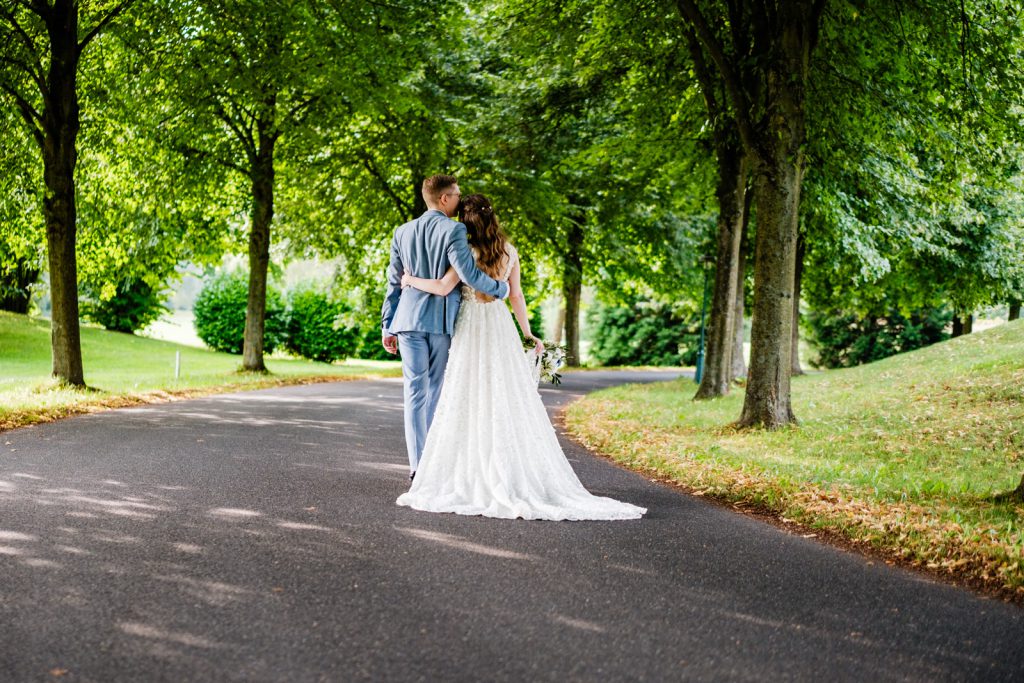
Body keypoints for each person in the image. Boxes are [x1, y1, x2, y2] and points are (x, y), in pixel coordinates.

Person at [395, 194, 646, 521]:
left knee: (466, 395)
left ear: (466, 221)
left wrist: (410, 279)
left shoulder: (463, 252)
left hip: (470, 327)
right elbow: (516, 294)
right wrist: (528, 332)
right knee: (505, 394)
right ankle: (511, 468)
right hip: (499, 326)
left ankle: (466, 469)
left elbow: (444, 288)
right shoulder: (510, 252)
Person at [381, 175, 510, 480]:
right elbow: (468, 275)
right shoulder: (454, 230)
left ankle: (417, 464)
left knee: (414, 391)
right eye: (456, 195)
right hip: (439, 322)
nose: (458, 201)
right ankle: (431, 463)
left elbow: (393, 282)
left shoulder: (402, 231)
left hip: (407, 321)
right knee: (435, 389)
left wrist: (387, 325)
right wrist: (500, 289)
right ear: (443, 199)